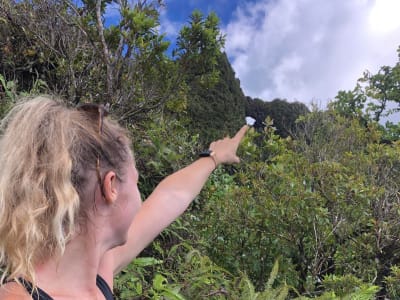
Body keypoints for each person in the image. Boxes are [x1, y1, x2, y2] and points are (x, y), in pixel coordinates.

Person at [0, 96, 249, 299]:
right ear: (112, 187)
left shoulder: (96, 275)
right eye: (136, 181)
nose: (141, 195)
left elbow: (170, 196)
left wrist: (214, 157)